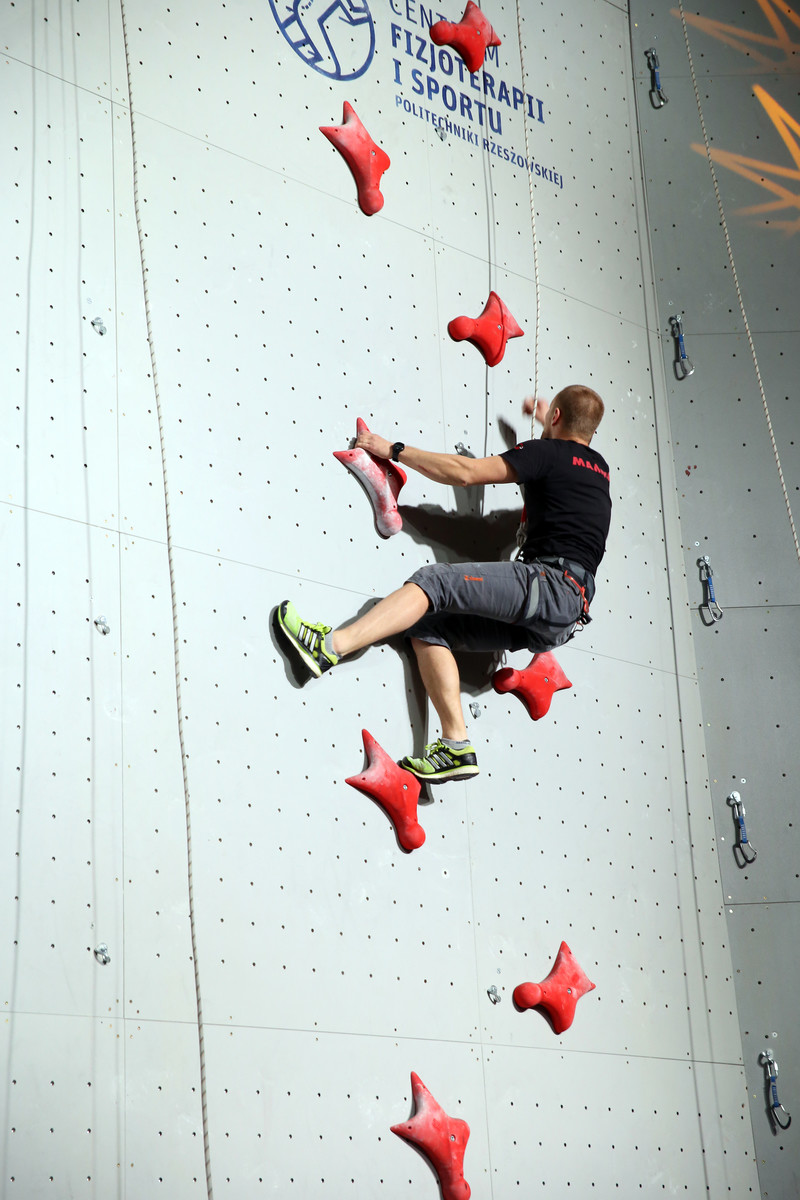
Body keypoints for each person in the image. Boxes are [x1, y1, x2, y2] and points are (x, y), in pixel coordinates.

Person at [277, 385, 611, 784]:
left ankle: (327, 648)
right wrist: (548, 420)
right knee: (427, 627)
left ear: (556, 417)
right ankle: (456, 745)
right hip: (562, 618)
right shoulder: (599, 470)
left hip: (548, 586)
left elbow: (466, 473)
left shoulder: (549, 454)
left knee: (433, 582)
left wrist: (394, 450)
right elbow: (564, 461)